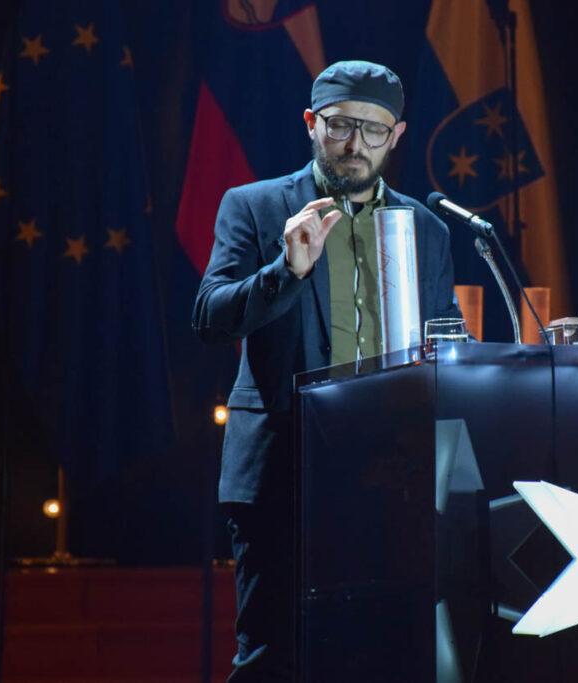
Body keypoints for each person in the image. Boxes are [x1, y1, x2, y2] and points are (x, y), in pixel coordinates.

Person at [192, 60, 461, 681]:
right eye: (340, 126)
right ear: (312, 123)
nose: (355, 144)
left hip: (393, 480)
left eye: (374, 130)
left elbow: (444, 338)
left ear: (397, 137)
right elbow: (210, 318)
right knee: (273, 659)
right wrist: (286, 271)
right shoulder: (257, 207)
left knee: (387, 658)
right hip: (283, 473)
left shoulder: (426, 228)